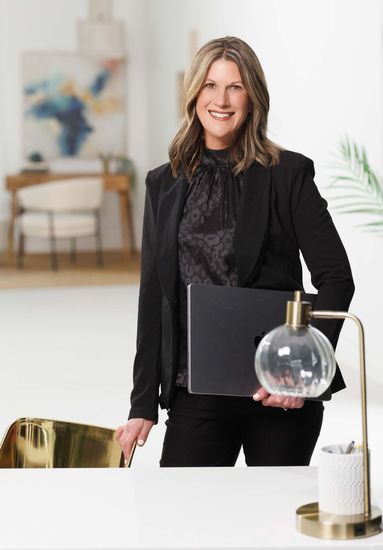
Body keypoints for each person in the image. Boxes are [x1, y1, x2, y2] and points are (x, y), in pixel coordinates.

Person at [116, 36, 354, 467]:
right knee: (185, 526)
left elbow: (337, 277)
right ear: (194, 95)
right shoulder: (162, 183)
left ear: (253, 97)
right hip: (196, 388)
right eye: (210, 85)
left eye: (235, 87)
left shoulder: (288, 174)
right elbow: (154, 296)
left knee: (272, 528)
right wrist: (142, 404)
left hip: (279, 393)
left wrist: (302, 374)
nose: (221, 100)